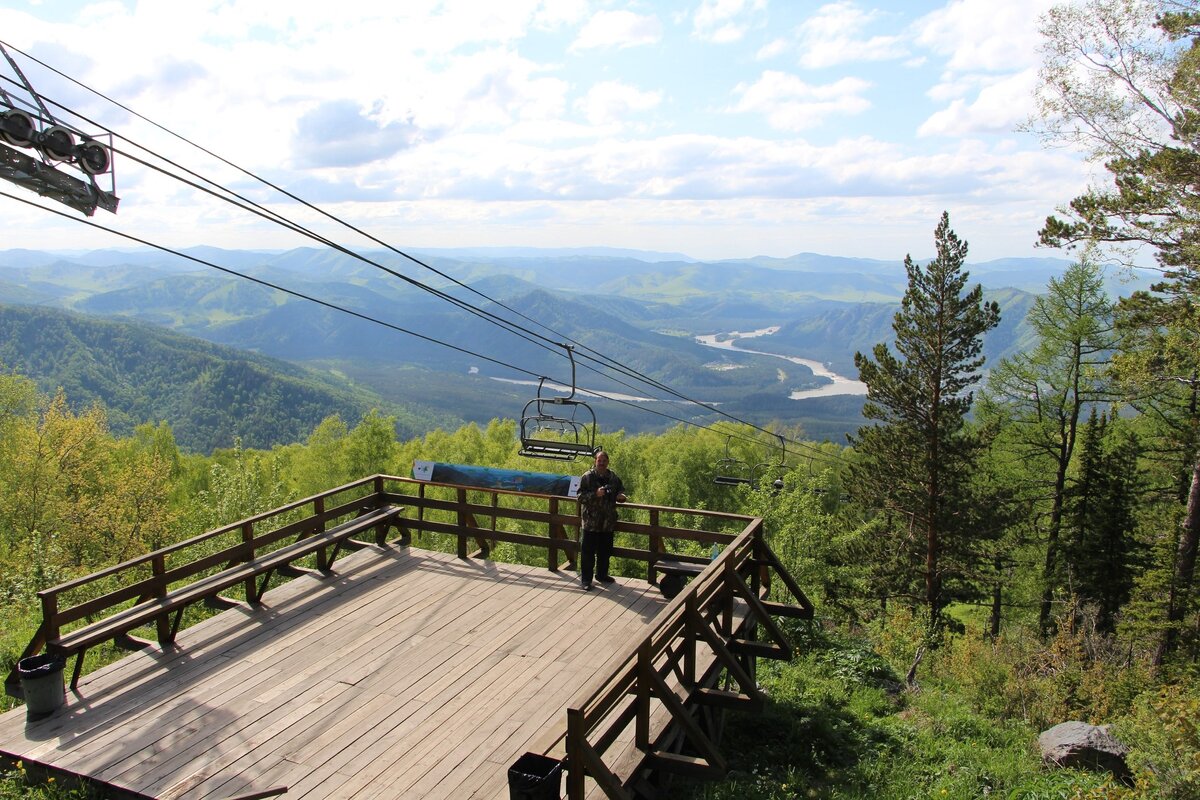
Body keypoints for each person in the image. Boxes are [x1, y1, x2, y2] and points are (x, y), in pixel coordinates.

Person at [576, 449, 627, 591]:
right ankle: (586, 580)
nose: (602, 463)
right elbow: (580, 497)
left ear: (608, 462)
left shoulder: (613, 478)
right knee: (587, 552)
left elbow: (621, 490)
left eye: (604, 461)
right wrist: (595, 494)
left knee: (605, 551)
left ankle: (602, 575)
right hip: (590, 522)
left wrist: (621, 497)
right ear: (595, 461)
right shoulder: (587, 477)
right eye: (599, 460)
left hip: (607, 523)